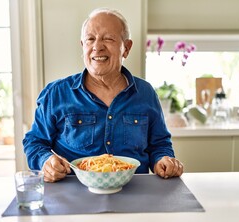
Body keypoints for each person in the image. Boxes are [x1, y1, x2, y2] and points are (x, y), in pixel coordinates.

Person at [23, 7, 184, 182]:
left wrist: (163, 160)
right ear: (83, 46)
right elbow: (35, 142)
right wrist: (45, 160)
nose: (97, 47)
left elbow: (160, 144)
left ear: (126, 48)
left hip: (135, 193)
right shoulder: (56, 93)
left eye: (108, 39)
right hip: (73, 195)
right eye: (90, 39)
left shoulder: (146, 93)